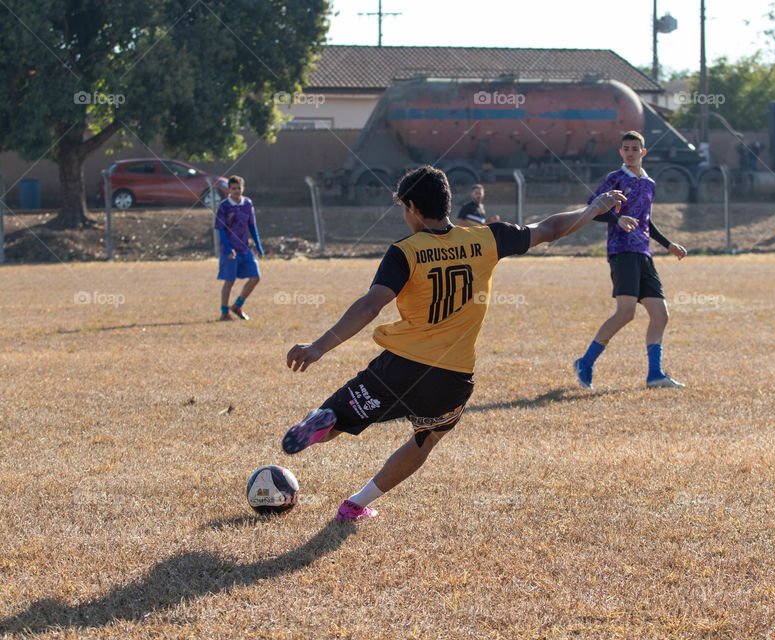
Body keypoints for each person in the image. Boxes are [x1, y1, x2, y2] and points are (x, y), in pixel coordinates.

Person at [281, 166, 627, 522]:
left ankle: (326, 419)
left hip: (398, 367)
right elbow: (551, 229)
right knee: (425, 439)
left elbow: (371, 304)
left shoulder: (406, 251)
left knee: (340, 417)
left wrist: (319, 347)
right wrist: (593, 209)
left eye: (403, 208)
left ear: (413, 207)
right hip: (451, 376)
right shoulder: (487, 238)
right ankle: (355, 504)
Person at [574, 131, 687, 390]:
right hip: (621, 251)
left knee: (660, 315)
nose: (630, 152)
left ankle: (655, 375)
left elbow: (646, 221)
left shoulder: (650, 184)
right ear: (620, 152)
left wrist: (667, 244)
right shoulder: (614, 179)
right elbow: (592, 209)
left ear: (643, 152)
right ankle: (585, 363)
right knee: (626, 313)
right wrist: (617, 218)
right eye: (625, 148)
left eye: (635, 148)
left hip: (643, 254)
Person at [215, 175, 263, 321]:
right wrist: (228, 249)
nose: (236, 191)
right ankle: (224, 312)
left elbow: (252, 226)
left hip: (245, 248)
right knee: (229, 281)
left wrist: (259, 246)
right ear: (229, 190)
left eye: (239, 188)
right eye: (233, 188)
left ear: (243, 188)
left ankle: (237, 306)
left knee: (255, 277)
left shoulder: (248, 204)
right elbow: (221, 229)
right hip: (230, 250)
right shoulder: (224, 206)